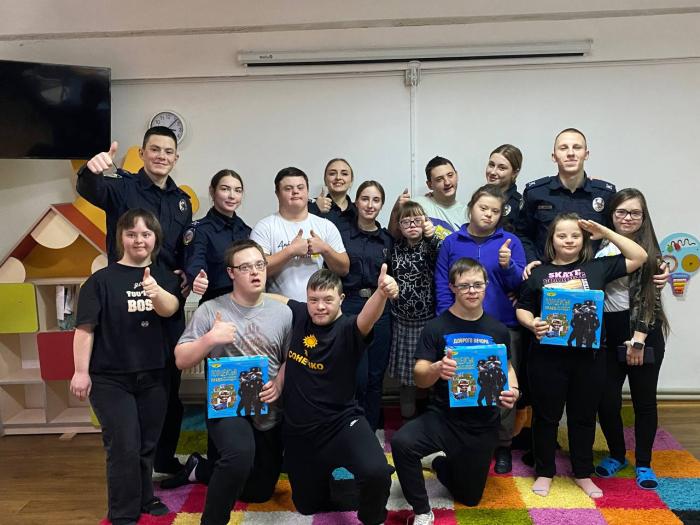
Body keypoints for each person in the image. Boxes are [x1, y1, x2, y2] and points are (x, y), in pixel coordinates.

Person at [77, 126, 191, 474]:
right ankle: (133, 459)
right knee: (132, 375)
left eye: (168, 151)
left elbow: (181, 248)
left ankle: (163, 459)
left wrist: (186, 273)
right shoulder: (121, 186)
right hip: (126, 295)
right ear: (142, 153)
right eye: (154, 149)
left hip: (166, 297)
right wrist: (91, 170)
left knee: (170, 382)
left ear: (176, 157)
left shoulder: (181, 201)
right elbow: (90, 188)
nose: (161, 156)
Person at [516, 212, 647, 499]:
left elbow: (639, 256)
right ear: (551, 239)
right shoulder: (537, 272)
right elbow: (523, 307)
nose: (569, 240)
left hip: (589, 358)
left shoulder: (597, 267)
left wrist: (605, 231)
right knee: (546, 417)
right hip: (547, 357)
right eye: (562, 235)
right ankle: (544, 471)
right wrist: (531, 323)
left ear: (584, 239)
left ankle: (583, 473)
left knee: (584, 417)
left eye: (575, 235)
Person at [69, 209, 181, 525]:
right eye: (131, 234)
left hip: (155, 375)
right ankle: (122, 513)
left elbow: (171, 309)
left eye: (146, 234)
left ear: (155, 238)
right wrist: (80, 371)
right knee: (123, 446)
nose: (139, 240)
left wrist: (156, 292)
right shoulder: (100, 281)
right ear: (121, 238)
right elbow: (85, 329)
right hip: (110, 379)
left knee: (147, 444)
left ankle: (145, 497)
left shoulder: (165, 277)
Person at [391, 258, 519, 525]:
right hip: (443, 417)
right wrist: (436, 368)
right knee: (402, 443)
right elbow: (420, 376)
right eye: (464, 286)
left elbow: (506, 367)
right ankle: (422, 511)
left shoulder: (497, 329)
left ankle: (439, 463)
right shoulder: (436, 327)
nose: (472, 291)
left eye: (477, 285)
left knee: (469, 498)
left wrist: (514, 390)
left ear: (486, 286)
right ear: (452, 287)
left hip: (482, 422)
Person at [173, 240, 292, 525]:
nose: (255, 272)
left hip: (266, 405)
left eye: (259, 265)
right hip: (227, 404)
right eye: (245, 267)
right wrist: (210, 339)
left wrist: (279, 382)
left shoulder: (283, 313)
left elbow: (290, 359)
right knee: (239, 456)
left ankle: (201, 469)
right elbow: (180, 359)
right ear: (231, 273)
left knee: (259, 491)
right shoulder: (211, 310)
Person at [278, 267, 398, 524]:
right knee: (307, 506)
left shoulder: (348, 328)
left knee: (377, 474)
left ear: (341, 299)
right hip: (301, 433)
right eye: (313, 300)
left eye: (328, 300)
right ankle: (328, 479)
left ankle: (372, 516)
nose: (320, 306)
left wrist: (380, 293)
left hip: (341, 425)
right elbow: (273, 298)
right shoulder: (301, 314)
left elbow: (367, 318)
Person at [434, 184, 526, 473]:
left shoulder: (510, 241)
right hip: (458, 328)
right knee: (462, 385)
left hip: (503, 327)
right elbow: (442, 284)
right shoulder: (451, 242)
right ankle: (460, 441)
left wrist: (508, 266)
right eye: (483, 208)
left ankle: (503, 445)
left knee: (502, 388)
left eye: (495, 211)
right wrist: (445, 323)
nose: (488, 215)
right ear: (471, 207)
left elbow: (520, 286)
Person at [594, 189, 670, 490]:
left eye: (635, 213)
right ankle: (617, 454)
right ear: (612, 214)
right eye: (621, 212)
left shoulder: (650, 252)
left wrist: (638, 340)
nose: (627, 218)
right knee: (606, 400)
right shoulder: (599, 244)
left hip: (642, 332)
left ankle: (644, 464)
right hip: (608, 332)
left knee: (643, 401)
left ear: (643, 217)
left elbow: (649, 300)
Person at [515, 128, 616, 273]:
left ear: (586, 154)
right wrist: (533, 262)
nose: (570, 153)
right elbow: (522, 234)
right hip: (546, 275)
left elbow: (619, 234)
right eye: (563, 148)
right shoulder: (536, 192)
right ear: (554, 156)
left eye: (577, 147)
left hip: (592, 276)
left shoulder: (604, 194)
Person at [338, 180, 394, 431]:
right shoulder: (341, 235)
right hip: (349, 306)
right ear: (356, 202)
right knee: (354, 375)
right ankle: (351, 428)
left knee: (375, 376)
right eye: (365, 199)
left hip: (380, 306)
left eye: (376, 200)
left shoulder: (387, 240)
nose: (370, 205)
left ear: (381, 205)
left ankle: (370, 431)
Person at [250, 167, 349, 301]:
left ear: (307, 192)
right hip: (279, 307)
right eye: (288, 188)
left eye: (300, 188)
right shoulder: (264, 227)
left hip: (318, 307)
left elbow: (344, 269)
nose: (295, 191)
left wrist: (325, 249)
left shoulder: (325, 225)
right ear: (277, 193)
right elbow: (256, 271)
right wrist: (290, 251)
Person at [387, 201, 441, 420]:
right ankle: (407, 419)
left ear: (425, 222)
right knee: (406, 377)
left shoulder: (431, 245)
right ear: (399, 226)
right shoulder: (395, 248)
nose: (411, 225)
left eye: (417, 220)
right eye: (406, 222)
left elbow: (444, 254)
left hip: (427, 322)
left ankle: (430, 417)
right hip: (401, 321)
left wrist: (432, 235)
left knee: (430, 373)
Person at [183, 169, 252, 303]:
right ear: (212, 191)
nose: (232, 196)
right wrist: (197, 277)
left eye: (238, 191)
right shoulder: (200, 230)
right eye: (225, 189)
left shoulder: (246, 230)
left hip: (247, 303)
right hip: (216, 302)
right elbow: (195, 260)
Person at [389, 156, 467, 241]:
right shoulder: (417, 204)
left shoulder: (468, 212)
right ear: (430, 185)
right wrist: (395, 211)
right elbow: (393, 239)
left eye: (450, 175)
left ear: (457, 175)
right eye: (439, 179)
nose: (447, 182)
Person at [308, 158, 357, 230]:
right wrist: (315, 208)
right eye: (332, 174)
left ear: (351, 181)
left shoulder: (358, 211)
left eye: (344, 174)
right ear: (325, 180)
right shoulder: (310, 207)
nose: (338, 177)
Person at [485, 144, 523, 229]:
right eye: (491, 165)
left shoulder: (518, 205)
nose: (493, 172)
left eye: (502, 168)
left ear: (515, 173)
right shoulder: (479, 198)